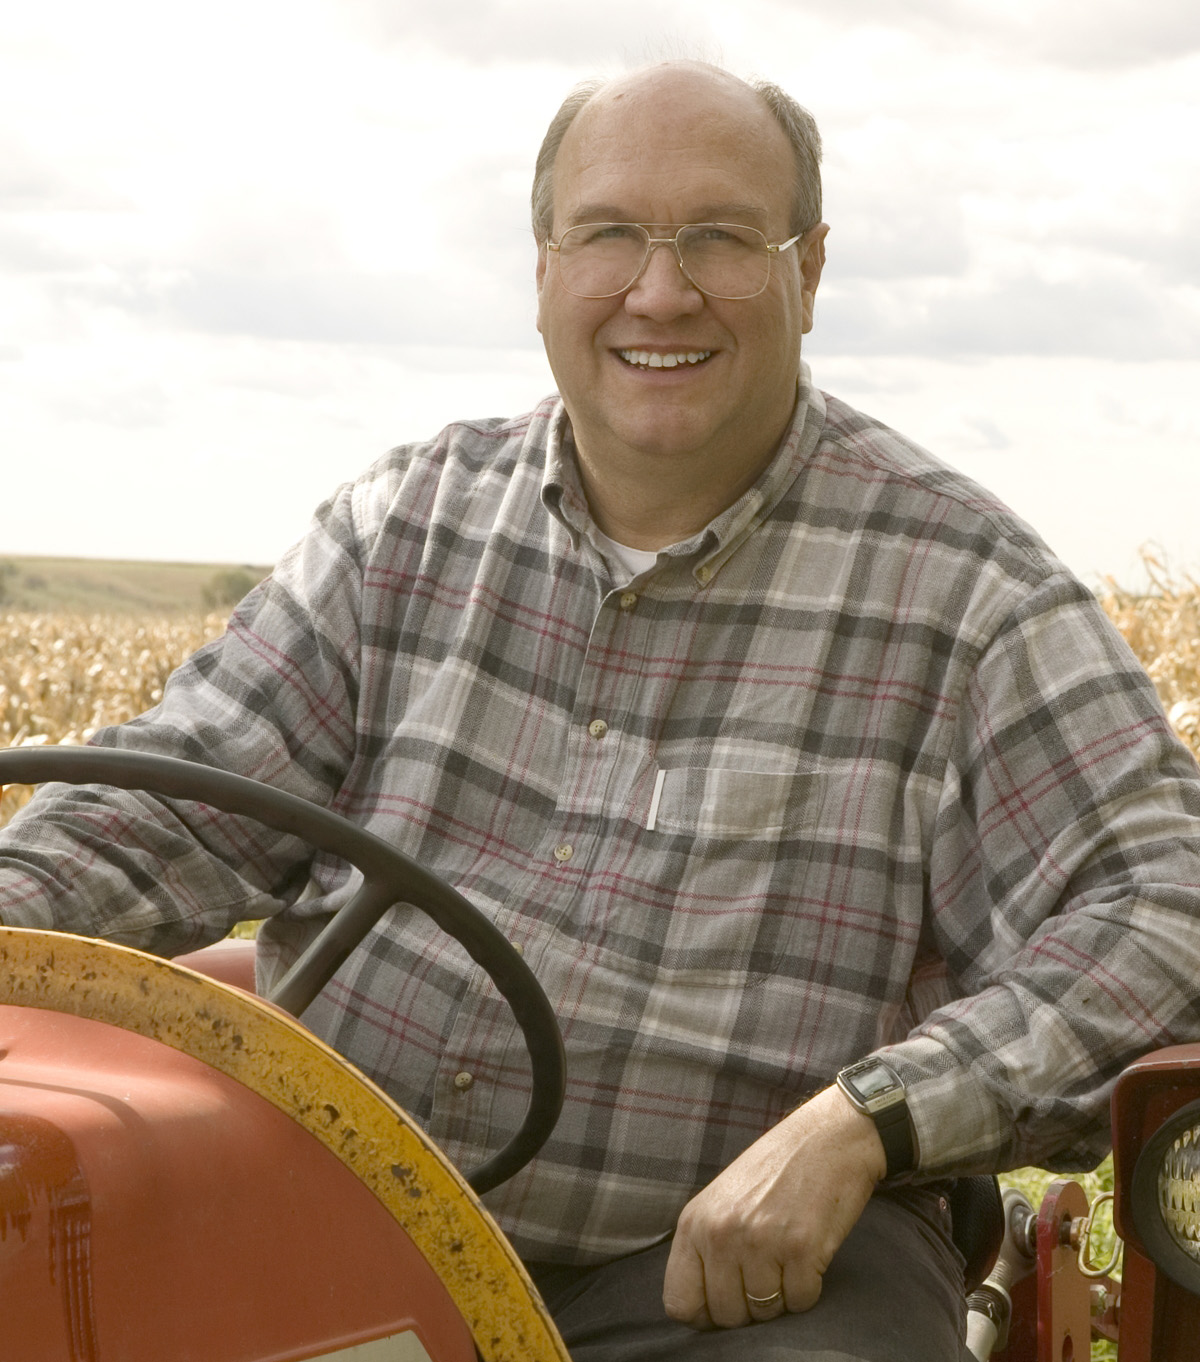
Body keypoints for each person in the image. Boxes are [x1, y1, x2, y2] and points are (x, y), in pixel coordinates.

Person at [3, 61, 1200, 1362]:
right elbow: (172, 802)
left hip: (738, 1278)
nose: (660, 290)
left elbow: (1165, 908)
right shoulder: (406, 526)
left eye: (722, 238)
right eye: (610, 233)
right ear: (544, 267)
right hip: (349, 1221)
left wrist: (865, 1120)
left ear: (809, 270)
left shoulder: (967, 594)